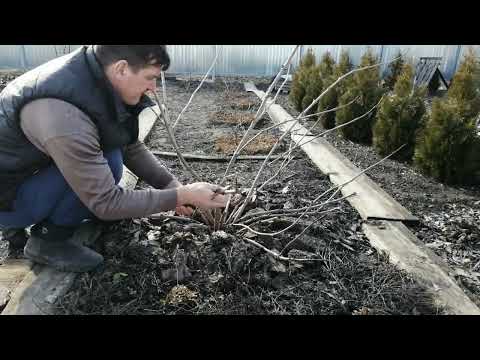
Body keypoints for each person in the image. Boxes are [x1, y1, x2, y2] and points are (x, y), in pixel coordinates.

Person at [0, 45, 228, 272]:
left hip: (28, 173)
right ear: (121, 69)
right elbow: (106, 202)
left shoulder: (94, 76)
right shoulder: (63, 115)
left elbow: (127, 144)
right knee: (109, 164)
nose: (153, 88)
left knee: (111, 152)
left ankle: (64, 212)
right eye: (150, 78)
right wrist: (180, 196)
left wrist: (173, 187)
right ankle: (48, 241)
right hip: (8, 199)